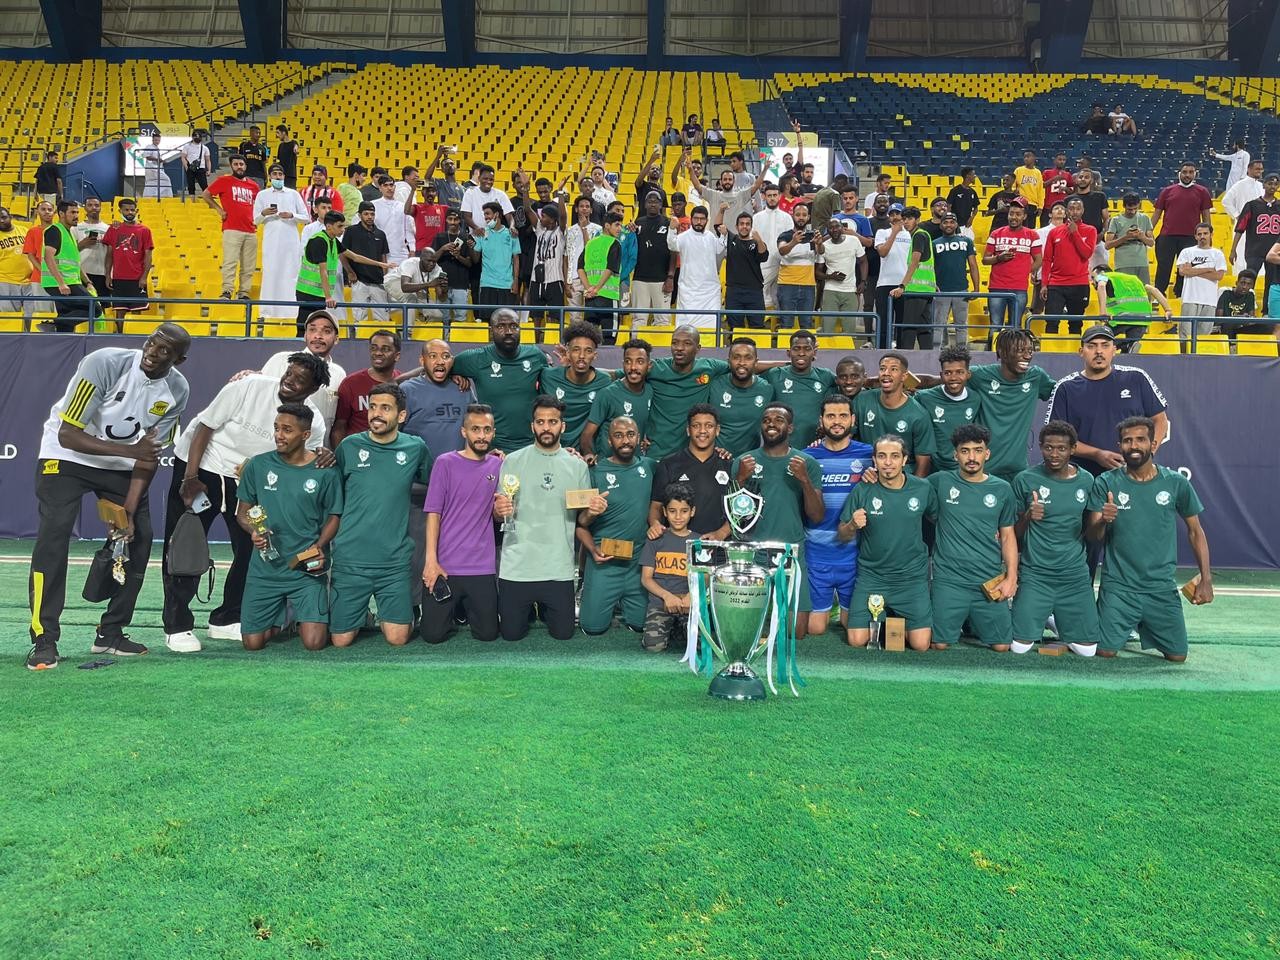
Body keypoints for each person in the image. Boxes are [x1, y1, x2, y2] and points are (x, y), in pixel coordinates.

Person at [25, 325, 190, 670]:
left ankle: (110, 632)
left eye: (164, 350)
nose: (152, 352)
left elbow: (149, 457)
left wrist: (128, 509)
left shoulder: (177, 389)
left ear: (179, 360)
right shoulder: (105, 363)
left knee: (139, 537)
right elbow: (69, 434)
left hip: (121, 465)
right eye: (151, 343)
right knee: (55, 533)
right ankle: (44, 638)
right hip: (66, 455)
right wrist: (131, 451)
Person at [165, 351, 330, 651]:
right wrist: (190, 477)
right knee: (186, 546)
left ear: (313, 388)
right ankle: (177, 625)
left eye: (300, 379)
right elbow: (205, 426)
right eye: (289, 373)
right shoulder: (248, 386)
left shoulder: (314, 422)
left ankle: (227, 618)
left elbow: (306, 459)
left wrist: (325, 455)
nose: (289, 381)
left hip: (250, 483)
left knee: (253, 547)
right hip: (203, 468)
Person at [1086, 417, 1213, 661]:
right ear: (1119, 445)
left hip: (1160, 587)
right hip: (1119, 587)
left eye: (1140, 439)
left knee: (1177, 656)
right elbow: (1092, 536)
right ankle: (1127, 622)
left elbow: (1196, 532)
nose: (1133, 446)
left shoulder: (1175, 483)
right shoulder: (1105, 482)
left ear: (1153, 444)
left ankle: (1143, 623)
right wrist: (1103, 520)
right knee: (1104, 651)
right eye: (1127, 440)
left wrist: (1206, 579)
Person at [329, 383, 431, 648]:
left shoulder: (415, 448)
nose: (376, 413)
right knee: (340, 641)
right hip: (350, 559)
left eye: (385, 408)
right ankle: (362, 614)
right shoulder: (349, 446)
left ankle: (385, 614)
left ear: (401, 415)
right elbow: (331, 490)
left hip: (393, 562)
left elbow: (436, 481)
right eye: (372, 407)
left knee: (398, 639)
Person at [492, 396, 601, 641]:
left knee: (563, 634)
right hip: (517, 567)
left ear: (563, 426)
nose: (546, 427)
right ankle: (529, 609)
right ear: (532, 426)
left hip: (558, 567)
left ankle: (542, 608)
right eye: (540, 422)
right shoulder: (512, 461)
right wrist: (499, 511)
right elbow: (500, 513)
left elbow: (583, 520)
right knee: (511, 634)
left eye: (552, 422)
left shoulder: (577, 466)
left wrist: (592, 511)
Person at [235, 404, 342, 653]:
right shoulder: (258, 465)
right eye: (276, 428)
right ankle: (284, 616)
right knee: (253, 644)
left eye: (287, 430)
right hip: (265, 569)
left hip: (305, 567)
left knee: (314, 644)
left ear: (305, 435)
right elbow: (242, 513)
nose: (278, 435)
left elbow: (334, 516)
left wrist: (319, 546)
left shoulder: (325, 472)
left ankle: (296, 613)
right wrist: (253, 531)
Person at [838, 434, 936, 651]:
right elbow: (842, 535)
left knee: (921, 645)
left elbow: (939, 519)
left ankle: (892, 617)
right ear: (874, 460)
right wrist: (852, 525)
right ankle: (885, 617)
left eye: (895, 456)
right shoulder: (863, 489)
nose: (888, 462)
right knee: (856, 640)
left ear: (905, 459)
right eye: (882, 456)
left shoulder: (923, 488)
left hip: (911, 579)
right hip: (873, 577)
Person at [732, 404, 824, 635]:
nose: (771, 423)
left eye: (779, 420)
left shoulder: (806, 463)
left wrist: (804, 481)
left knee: (797, 632)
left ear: (790, 428)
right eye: (766, 420)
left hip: (790, 551)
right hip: (754, 550)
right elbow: (734, 518)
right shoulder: (743, 462)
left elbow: (816, 516)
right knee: (744, 630)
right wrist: (740, 480)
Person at [1010, 421, 1100, 656]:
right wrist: (1028, 516)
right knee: (1019, 648)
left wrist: (1105, 521)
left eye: (1061, 448)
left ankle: (1058, 617)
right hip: (1035, 573)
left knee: (1087, 651)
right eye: (1048, 447)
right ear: (1041, 447)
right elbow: (1014, 535)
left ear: (1073, 449)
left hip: (1073, 574)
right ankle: (1039, 612)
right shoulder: (1024, 480)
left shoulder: (1087, 481)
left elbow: (1091, 533)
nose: (1054, 454)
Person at [927, 424, 1018, 652]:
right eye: (965, 451)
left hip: (987, 579)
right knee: (938, 644)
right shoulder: (939, 482)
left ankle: (973, 623)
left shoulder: (1002, 489)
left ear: (987, 453)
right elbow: (904, 488)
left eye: (978, 450)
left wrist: (1011, 577)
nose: (971, 457)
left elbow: (1008, 536)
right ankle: (956, 622)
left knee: (1001, 646)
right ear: (955, 455)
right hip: (949, 580)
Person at [420, 402, 501, 643]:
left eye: (487, 430)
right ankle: (457, 612)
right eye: (475, 429)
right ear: (464, 432)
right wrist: (431, 561)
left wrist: (571, 452)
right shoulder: (445, 462)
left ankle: (463, 611)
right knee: (432, 636)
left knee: (488, 635)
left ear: (493, 433)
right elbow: (433, 513)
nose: (481, 435)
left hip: (481, 568)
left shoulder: (499, 465)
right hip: (445, 566)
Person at [1047, 324, 1168, 475]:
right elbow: (1057, 438)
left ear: (1114, 350)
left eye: (1105, 345)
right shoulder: (1065, 388)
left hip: (1131, 474)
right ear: (1081, 352)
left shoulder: (1136, 378)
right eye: (1091, 346)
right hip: (1083, 476)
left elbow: (1160, 420)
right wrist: (1096, 454)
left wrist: (1148, 454)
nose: (1099, 351)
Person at [577, 416, 655, 635]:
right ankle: (590, 589)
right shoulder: (594, 472)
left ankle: (623, 602)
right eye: (618, 436)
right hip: (605, 560)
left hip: (638, 563)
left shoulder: (649, 466)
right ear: (609, 441)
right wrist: (592, 547)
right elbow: (580, 524)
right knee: (592, 628)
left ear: (639, 438)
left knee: (641, 626)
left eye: (630, 435)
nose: (625, 441)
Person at [804, 395, 873, 636]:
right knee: (815, 628)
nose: (837, 421)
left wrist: (877, 477)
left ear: (853, 419)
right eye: (830, 416)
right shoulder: (807, 457)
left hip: (855, 555)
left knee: (852, 626)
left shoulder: (870, 456)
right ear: (821, 420)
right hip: (817, 552)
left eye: (843, 416)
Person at [450, 308, 548, 453]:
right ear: (491, 331)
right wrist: (453, 375)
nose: (508, 331)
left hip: (531, 446)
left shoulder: (535, 356)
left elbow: (553, 382)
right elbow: (437, 367)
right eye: (501, 326)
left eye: (514, 326)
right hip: (493, 449)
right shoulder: (476, 358)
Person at [971, 328, 1056, 483]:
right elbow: (946, 381)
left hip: (1018, 471)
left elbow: (1065, 392)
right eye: (1020, 350)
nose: (1027, 356)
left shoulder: (1036, 377)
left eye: (1030, 350)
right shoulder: (980, 376)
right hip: (983, 470)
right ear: (1002, 353)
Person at [647, 404, 731, 538]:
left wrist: (722, 533)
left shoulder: (729, 465)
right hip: (677, 545)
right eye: (696, 425)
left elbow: (738, 509)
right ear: (688, 430)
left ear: (717, 430)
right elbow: (656, 506)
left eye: (709, 426)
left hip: (717, 544)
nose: (702, 431)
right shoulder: (669, 464)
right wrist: (655, 524)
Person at [853, 352, 935, 475]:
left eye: (894, 369)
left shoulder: (919, 415)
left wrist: (914, 486)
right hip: (866, 473)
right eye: (882, 369)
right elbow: (846, 438)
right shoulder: (862, 400)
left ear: (904, 376)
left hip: (902, 477)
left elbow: (923, 462)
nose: (886, 373)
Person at [260, 310, 347, 424]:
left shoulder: (339, 373)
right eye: (312, 329)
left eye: (326, 331)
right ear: (305, 335)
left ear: (336, 339)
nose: (318, 336)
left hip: (321, 436)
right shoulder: (280, 360)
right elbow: (261, 398)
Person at [639, 482, 695, 652]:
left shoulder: (699, 542)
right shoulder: (655, 540)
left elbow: (706, 578)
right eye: (672, 511)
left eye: (684, 511)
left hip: (689, 603)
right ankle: (669, 628)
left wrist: (691, 596)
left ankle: (678, 629)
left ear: (692, 511)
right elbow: (646, 578)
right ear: (664, 512)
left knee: (701, 646)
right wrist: (666, 596)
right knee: (653, 647)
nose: (678, 516)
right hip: (661, 603)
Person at [541, 321, 612, 452]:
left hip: (585, 454)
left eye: (588, 351)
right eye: (576, 350)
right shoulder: (548, 377)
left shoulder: (604, 382)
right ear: (567, 353)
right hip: (552, 451)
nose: (581, 356)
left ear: (595, 355)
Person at [581, 338, 652, 460]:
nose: (633, 367)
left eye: (640, 362)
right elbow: (586, 435)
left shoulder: (650, 391)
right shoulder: (607, 394)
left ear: (649, 365)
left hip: (634, 465)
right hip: (608, 465)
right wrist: (589, 454)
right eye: (628, 361)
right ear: (623, 364)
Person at [915, 346, 982, 474]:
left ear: (968, 374)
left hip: (961, 469)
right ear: (941, 375)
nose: (953, 378)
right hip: (932, 469)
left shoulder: (975, 399)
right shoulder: (924, 398)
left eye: (960, 372)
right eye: (948, 373)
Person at [202, 154, 260, 300]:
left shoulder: (254, 186)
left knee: (248, 265)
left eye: (241, 164)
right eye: (236, 164)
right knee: (230, 262)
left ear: (245, 166)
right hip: (232, 228)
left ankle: (244, 293)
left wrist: (257, 219)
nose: (239, 167)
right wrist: (219, 210)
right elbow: (206, 194)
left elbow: (258, 205)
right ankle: (227, 291)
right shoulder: (224, 181)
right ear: (231, 166)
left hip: (251, 230)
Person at [254, 164, 308, 320]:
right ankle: (267, 312)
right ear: (270, 177)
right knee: (271, 273)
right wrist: (264, 213)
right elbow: (255, 220)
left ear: (284, 176)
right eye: (275, 174)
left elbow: (306, 217)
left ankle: (291, 312)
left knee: (291, 273)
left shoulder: (293, 194)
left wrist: (291, 215)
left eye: (280, 174)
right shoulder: (262, 195)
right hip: (271, 241)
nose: (278, 177)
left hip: (290, 241)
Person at [1152, 162, 1213, 299]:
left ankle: (1181, 296)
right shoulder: (1167, 191)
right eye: (1185, 172)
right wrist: (1149, 231)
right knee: (1163, 267)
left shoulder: (1202, 192)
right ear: (1179, 173)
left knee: (1185, 268)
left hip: (1191, 237)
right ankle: (1158, 296)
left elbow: (1206, 216)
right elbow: (1157, 213)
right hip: (1167, 236)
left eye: (1191, 172)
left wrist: (1207, 235)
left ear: (1195, 174)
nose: (1187, 175)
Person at [765, 329, 834, 448]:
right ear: (789, 352)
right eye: (796, 349)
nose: (801, 353)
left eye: (807, 349)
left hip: (815, 447)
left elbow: (848, 382)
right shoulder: (775, 374)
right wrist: (784, 363)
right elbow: (748, 368)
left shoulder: (825, 376)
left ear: (814, 352)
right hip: (781, 447)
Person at [983, 198, 1041, 338]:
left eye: (1018, 214)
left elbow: (1039, 260)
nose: (1014, 217)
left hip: (1019, 288)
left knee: (1016, 326)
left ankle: (1013, 351)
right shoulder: (996, 233)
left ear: (1024, 216)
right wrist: (999, 258)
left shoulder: (1032, 235)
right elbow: (985, 260)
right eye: (1011, 213)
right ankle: (993, 350)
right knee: (995, 325)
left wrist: (1024, 271)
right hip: (997, 287)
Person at [1040, 196, 1098, 335]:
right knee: (1051, 322)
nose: (1075, 212)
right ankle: (1050, 349)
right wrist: (1044, 284)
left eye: (1078, 209)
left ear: (1083, 211)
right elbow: (1047, 260)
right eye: (1071, 209)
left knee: (1076, 324)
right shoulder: (1055, 232)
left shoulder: (1090, 230)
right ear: (1067, 211)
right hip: (1056, 284)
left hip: (1079, 284)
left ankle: (1075, 349)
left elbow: (1086, 254)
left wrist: (1075, 233)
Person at [332, 330, 401, 445]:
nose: (378, 353)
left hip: (391, 450)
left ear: (397, 356)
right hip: (357, 450)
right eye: (374, 348)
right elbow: (339, 427)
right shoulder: (351, 383)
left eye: (385, 349)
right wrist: (341, 454)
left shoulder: (404, 384)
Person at [709, 337, 774, 455]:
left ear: (756, 362)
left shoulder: (767, 389)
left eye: (748, 358)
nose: (742, 363)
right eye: (736, 357)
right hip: (716, 458)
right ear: (729, 361)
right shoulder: (714, 385)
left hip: (749, 460)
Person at [42, 200, 101, 330]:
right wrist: (61, 283)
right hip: (61, 284)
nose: (76, 216)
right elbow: (48, 257)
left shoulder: (69, 234)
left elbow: (75, 263)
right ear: (61, 214)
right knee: (95, 308)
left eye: (77, 212)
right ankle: (55, 324)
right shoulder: (54, 231)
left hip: (69, 282)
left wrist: (88, 282)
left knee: (66, 314)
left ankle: (59, 333)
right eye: (72, 212)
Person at [666, 205, 725, 329]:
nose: (699, 222)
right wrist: (671, 229)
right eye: (696, 218)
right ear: (691, 219)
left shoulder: (710, 237)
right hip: (688, 292)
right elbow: (672, 245)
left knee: (711, 328)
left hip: (710, 292)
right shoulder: (683, 237)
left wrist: (724, 235)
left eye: (702, 219)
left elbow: (720, 248)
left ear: (707, 220)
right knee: (686, 329)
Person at [1091, 265, 1173, 352]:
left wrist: (1103, 312)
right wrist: (1168, 310)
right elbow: (1153, 290)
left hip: (1122, 318)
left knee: (1098, 340)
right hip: (1142, 320)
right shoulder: (1133, 279)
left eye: (1093, 277)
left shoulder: (1104, 276)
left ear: (1102, 272)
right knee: (1128, 351)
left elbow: (1101, 286)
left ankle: (1121, 345)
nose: (1092, 282)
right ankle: (1127, 345)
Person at [1230, 172, 1280, 308]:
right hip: (1254, 250)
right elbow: (1240, 228)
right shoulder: (1252, 205)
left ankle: (1266, 310)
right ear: (1263, 185)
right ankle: (1245, 307)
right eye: (1269, 183)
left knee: (1271, 282)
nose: (1272, 186)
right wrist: (1233, 249)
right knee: (1249, 280)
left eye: (1275, 184)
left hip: (1273, 252)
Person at [1176, 224, 1227, 351]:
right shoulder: (1187, 252)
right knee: (1185, 335)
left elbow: (1219, 276)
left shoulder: (1218, 254)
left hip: (1209, 301)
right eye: (1199, 234)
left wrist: (1193, 271)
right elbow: (1183, 271)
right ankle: (1183, 358)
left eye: (1205, 233)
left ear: (1211, 234)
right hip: (1190, 298)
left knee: (1203, 336)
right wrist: (1209, 269)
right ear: (1195, 236)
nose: (1202, 236)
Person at [930, 212, 979, 346]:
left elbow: (973, 265)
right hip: (941, 291)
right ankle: (935, 354)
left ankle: (962, 354)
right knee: (938, 325)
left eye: (952, 222)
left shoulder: (966, 241)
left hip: (961, 290)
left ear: (956, 224)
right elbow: (930, 267)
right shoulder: (934, 244)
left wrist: (976, 288)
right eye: (945, 222)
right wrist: (932, 284)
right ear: (941, 225)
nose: (949, 225)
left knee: (961, 325)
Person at [101, 197, 154, 320]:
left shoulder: (145, 230)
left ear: (136, 211)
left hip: (137, 278)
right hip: (118, 278)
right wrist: (108, 275)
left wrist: (144, 277)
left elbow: (148, 256)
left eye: (132, 210)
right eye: (126, 210)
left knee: (137, 311)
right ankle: (120, 332)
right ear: (120, 211)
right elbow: (109, 255)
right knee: (120, 310)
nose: (130, 212)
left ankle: (134, 331)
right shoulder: (113, 229)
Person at [893, 206, 937, 350]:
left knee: (908, 327)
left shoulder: (918, 235)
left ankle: (906, 357)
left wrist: (902, 286)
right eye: (904, 219)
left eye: (910, 219)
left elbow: (915, 262)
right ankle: (928, 357)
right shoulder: (924, 235)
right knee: (924, 328)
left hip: (916, 290)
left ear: (917, 220)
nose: (906, 222)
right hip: (926, 290)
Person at [774, 202, 824, 328]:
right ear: (793, 216)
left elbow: (821, 252)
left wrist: (819, 243)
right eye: (798, 215)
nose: (801, 217)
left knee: (806, 323)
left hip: (808, 285)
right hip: (787, 285)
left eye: (804, 215)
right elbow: (782, 250)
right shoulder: (785, 235)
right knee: (786, 323)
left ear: (808, 217)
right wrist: (793, 242)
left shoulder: (813, 235)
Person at [578, 212, 623, 343]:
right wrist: (597, 289)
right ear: (607, 226)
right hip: (609, 298)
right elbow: (610, 269)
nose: (620, 229)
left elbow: (580, 268)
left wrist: (589, 289)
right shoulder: (615, 243)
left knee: (588, 339)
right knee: (609, 339)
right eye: (617, 225)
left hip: (590, 299)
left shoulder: (590, 244)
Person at [873, 203, 912, 349]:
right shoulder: (882, 232)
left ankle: (902, 351)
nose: (895, 217)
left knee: (902, 323)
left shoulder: (910, 234)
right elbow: (883, 252)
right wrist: (894, 233)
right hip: (884, 283)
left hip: (904, 284)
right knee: (883, 321)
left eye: (898, 214)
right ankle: (882, 350)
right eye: (892, 214)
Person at [818, 219, 867, 335]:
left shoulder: (853, 240)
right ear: (827, 230)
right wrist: (831, 276)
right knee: (827, 328)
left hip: (850, 290)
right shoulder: (824, 246)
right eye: (831, 227)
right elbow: (817, 272)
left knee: (849, 330)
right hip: (830, 290)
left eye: (837, 226)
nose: (834, 229)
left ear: (842, 227)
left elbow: (863, 261)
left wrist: (863, 281)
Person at [753, 182, 795, 315]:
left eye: (775, 195)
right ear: (764, 197)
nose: (772, 198)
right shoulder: (756, 218)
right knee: (761, 296)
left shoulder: (787, 218)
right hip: (763, 263)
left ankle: (780, 324)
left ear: (779, 196)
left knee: (781, 297)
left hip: (783, 263)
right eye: (769, 195)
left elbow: (790, 240)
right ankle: (760, 324)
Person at [432, 209, 474, 331]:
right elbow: (432, 259)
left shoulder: (466, 237)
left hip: (461, 284)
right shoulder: (439, 237)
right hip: (442, 284)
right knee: (442, 319)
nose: (453, 222)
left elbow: (470, 263)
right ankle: (443, 341)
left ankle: (458, 341)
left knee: (460, 318)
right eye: (450, 219)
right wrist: (443, 248)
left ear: (460, 220)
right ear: (446, 220)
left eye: (456, 219)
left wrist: (458, 256)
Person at [1104, 192, 1156, 287]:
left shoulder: (1145, 218)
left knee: (1144, 292)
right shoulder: (1115, 220)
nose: (1132, 211)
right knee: (1124, 293)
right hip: (1123, 264)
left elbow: (1151, 243)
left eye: (1135, 209)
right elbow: (1107, 245)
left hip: (1142, 263)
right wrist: (1126, 237)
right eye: (1129, 209)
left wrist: (1142, 237)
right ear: (1124, 206)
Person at [1221, 160, 1265, 255]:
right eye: (1257, 169)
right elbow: (1226, 201)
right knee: (1241, 253)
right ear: (1249, 169)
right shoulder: (1239, 185)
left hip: (1259, 226)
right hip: (1243, 226)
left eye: (1261, 169)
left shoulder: (1261, 186)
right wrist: (1237, 216)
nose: (1260, 171)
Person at [73, 196, 110, 302]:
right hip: (82, 272)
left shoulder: (108, 228)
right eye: (90, 205)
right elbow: (70, 252)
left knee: (102, 305)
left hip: (102, 273)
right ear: (84, 208)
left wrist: (109, 274)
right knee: (83, 305)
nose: (93, 207)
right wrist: (83, 244)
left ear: (100, 208)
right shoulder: (76, 228)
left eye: (96, 205)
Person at [0, 206, 31, 312]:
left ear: (10, 217)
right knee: (10, 318)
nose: (1, 221)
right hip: (6, 282)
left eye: (3, 217)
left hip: (29, 281)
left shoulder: (24, 230)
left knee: (32, 317)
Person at [1041, 154, 1075, 227]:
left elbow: (1072, 190)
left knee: (1062, 228)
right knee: (1045, 227)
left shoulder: (1067, 174)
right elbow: (1041, 185)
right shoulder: (1047, 172)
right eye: (1060, 159)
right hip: (1048, 205)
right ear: (1055, 160)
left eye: (1063, 160)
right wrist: (1053, 179)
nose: (1062, 162)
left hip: (1062, 205)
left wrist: (1065, 188)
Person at [1012, 150, 1044, 225]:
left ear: (1034, 158)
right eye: (1025, 157)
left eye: (1028, 156)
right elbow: (1013, 185)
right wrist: (1014, 190)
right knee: (1019, 226)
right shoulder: (1018, 170)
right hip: (1020, 203)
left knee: (1030, 227)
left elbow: (1040, 190)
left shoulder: (1038, 172)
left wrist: (1040, 206)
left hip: (1033, 204)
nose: (1026, 158)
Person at [179, 131, 210, 197]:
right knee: (191, 186)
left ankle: (207, 199)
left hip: (201, 168)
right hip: (190, 167)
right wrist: (186, 167)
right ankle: (192, 200)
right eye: (196, 136)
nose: (198, 138)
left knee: (204, 185)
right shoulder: (187, 146)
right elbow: (183, 157)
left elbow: (208, 160)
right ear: (192, 137)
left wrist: (209, 170)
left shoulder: (205, 148)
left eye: (199, 137)